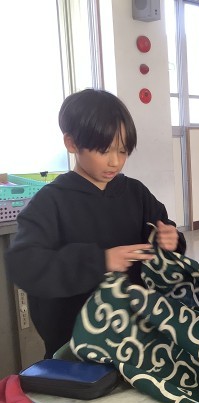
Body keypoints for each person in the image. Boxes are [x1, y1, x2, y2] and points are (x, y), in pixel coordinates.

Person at [6, 89, 186, 358]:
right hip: (75, 347)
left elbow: (164, 231)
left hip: (137, 339)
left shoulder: (136, 193)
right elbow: (24, 265)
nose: (115, 161)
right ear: (71, 143)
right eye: (103, 150)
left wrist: (172, 240)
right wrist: (99, 261)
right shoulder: (51, 202)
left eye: (122, 151)